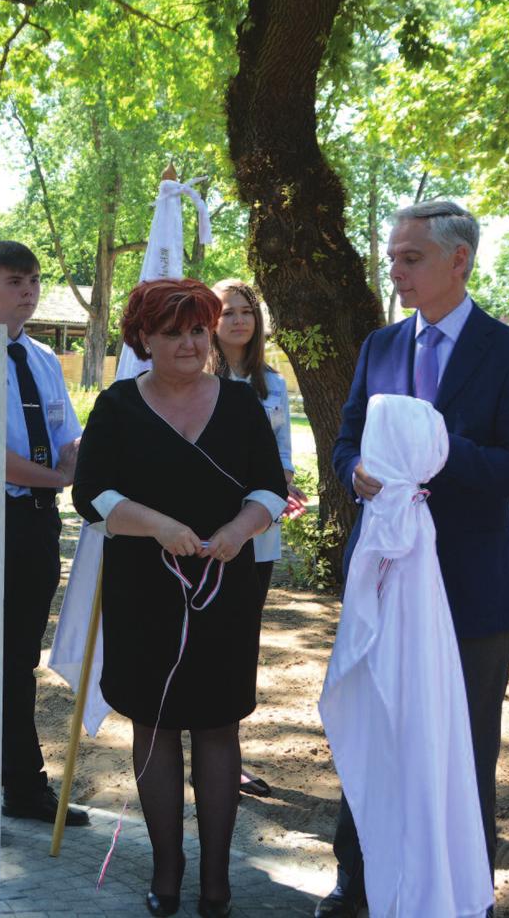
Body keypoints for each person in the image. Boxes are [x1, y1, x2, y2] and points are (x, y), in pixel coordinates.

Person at [315, 201, 509, 918]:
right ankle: (356, 881)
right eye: (391, 257)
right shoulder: (379, 346)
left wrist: (437, 458)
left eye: (409, 257)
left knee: (463, 747)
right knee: (373, 722)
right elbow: (345, 440)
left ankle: (458, 896)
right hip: (382, 578)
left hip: (468, 590)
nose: (395, 270)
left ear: (458, 260)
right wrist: (354, 471)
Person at [72, 278, 288, 918]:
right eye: (173, 333)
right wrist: (157, 524)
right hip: (143, 593)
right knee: (155, 724)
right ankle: (169, 871)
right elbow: (94, 497)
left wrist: (237, 530)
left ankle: (217, 882)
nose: (191, 344)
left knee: (219, 727)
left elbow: (272, 491)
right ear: (143, 338)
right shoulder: (115, 406)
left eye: (199, 330)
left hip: (226, 591)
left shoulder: (243, 406)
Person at [0, 241, 88, 826]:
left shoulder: (42, 358)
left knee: (20, 656)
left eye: (34, 280)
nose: (28, 290)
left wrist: (73, 464)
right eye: (15, 281)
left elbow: (65, 431)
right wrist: (56, 474)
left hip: (40, 521)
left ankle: (23, 787)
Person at [209, 279, 308, 799]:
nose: (239, 321)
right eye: (228, 313)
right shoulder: (195, 380)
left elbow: (283, 457)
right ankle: (198, 748)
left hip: (258, 534)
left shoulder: (271, 382)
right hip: (202, 533)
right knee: (203, 642)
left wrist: (286, 485)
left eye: (247, 312)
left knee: (239, 642)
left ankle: (230, 756)